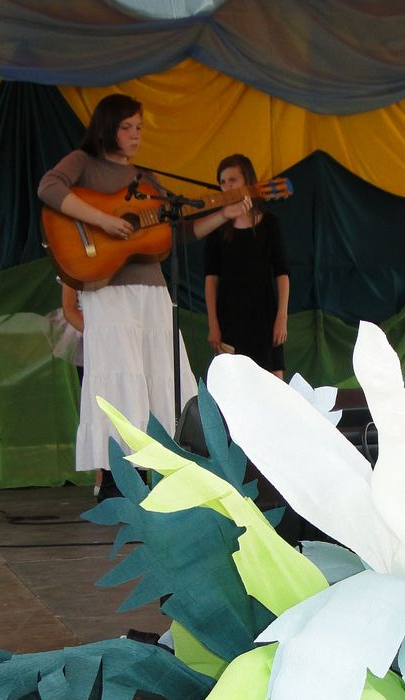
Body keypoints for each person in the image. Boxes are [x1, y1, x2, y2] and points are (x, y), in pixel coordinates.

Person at [38, 94, 250, 499]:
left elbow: (175, 232)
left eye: (138, 127)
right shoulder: (83, 163)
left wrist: (223, 214)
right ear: (107, 128)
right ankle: (116, 479)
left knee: (161, 375)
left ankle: (167, 472)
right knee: (118, 377)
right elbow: (48, 187)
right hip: (107, 289)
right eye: (127, 127)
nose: (135, 135)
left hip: (151, 291)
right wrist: (103, 220)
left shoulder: (147, 180)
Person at [203, 154, 289, 377]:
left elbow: (282, 273)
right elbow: (211, 278)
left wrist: (281, 317)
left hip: (264, 313)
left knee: (274, 380)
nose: (227, 187)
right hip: (230, 315)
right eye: (222, 182)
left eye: (233, 180)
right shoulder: (217, 228)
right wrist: (213, 324)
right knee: (234, 381)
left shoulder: (270, 224)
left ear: (248, 181)